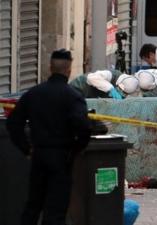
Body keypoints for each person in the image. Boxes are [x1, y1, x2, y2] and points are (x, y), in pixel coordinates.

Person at [6, 49, 92, 225]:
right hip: (62, 157)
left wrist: (26, 148)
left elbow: (13, 123)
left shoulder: (33, 94)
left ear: (49, 68)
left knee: (33, 205)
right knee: (56, 209)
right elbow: (83, 127)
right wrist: (75, 149)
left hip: (39, 155)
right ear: (68, 71)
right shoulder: (73, 97)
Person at [69, 69, 140, 99]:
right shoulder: (110, 75)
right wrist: (110, 89)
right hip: (77, 89)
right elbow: (91, 78)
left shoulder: (130, 87)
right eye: (121, 90)